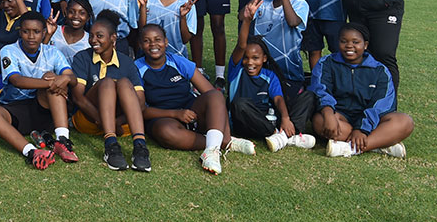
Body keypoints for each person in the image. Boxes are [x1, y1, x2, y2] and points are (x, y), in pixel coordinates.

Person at [135, 24, 255, 175]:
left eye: (158, 39)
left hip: (192, 110)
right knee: (165, 132)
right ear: (140, 44)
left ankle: (212, 151)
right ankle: (223, 143)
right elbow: (141, 111)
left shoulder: (177, 61)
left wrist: (225, 130)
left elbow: (211, 93)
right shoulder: (137, 68)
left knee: (216, 95)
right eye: (146, 41)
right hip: (164, 117)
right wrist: (176, 114)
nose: (153, 44)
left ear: (166, 42)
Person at [0, 11, 77, 170]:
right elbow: (16, 80)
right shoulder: (8, 50)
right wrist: (51, 82)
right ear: (20, 32)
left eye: (36, 32)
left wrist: (65, 78)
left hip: (43, 107)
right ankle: (32, 152)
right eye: (26, 31)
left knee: (53, 79)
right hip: (16, 109)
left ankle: (63, 140)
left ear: (44, 33)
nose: (31, 36)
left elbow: (72, 78)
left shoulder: (52, 52)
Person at [311, 23, 413, 158]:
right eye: (343, 41)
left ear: (365, 45)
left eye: (355, 42)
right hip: (341, 117)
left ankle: (350, 148)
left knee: (405, 122)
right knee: (319, 121)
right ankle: (379, 144)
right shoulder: (326, 63)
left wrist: (362, 129)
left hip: (371, 122)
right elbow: (321, 90)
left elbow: (382, 104)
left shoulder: (379, 70)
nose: (349, 46)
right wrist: (329, 113)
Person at [67, 12, 149, 172]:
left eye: (99, 36)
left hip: (120, 125)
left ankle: (140, 147)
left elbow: (141, 103)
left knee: (124, 82)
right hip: (89, 119)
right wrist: (104, 123)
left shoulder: (126, 62)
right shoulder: (82, 57)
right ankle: (110, 145)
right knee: (107, 83)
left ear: (113, 38)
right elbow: (78, 98)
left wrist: (116, 122)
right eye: (91, 36)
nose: (93, 40)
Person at [228, 20, 316, 152]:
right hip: (245, 122)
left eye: (255, 58)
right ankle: (280, 135)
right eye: (246, 58)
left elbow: (278, 99)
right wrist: (246, 20)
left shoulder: (269, 75)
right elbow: (241, 46)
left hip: (268, 119)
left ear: (264, 58)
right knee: (239, 104)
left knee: (309, 96)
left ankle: (286, 135)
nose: (250, 62)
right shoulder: (237, 71)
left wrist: (285, 118)